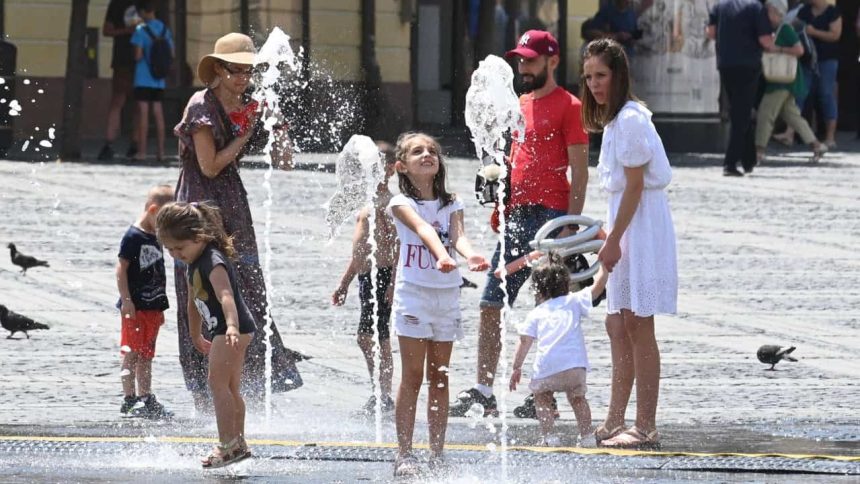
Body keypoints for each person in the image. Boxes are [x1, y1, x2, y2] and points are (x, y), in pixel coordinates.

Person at [450, 29, 590, 419]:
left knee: (550, 309)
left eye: (531, 59)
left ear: (552, 61)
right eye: (520, 60)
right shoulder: (519, 103)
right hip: (517, 215)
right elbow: (513, 161)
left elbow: (579, 172)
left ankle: (544, 391)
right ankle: (483, 390)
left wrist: (570, 224)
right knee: (492, 300)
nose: (523, 66)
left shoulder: (569, 106)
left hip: (551, 219)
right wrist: (502, 202)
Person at [173, 32, 300, 412]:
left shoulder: (251, 104)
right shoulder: (202, 106)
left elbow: (285, 163)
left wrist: (279, 131)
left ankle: (252, 388)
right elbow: (209, 166)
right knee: (199, 292)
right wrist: (244, 135)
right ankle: (205, 395)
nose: (243, 77)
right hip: (199, 207)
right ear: (217, 69)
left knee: (248, 289)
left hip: (233, 206)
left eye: (248, 70)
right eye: (235, 70)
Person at [581, 38, 677, 449]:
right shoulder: (615, 121)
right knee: (617, 322)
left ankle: (646, 426)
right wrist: (609, 234)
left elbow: (636, 188)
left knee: (639, 323)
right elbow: (622, 191)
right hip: (625, 222)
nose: (594, 84)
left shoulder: (633, 119)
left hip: (643, 227)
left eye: (601, 75)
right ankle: (615, 418)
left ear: (618, 75)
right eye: (588, 77)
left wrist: (614, 240)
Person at [388, 132, 489, 477]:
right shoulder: (400, 202)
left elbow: (457, 234)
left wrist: (469, 254)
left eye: (432, 151)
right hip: (415, 294)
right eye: (418, 152)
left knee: (440, 377)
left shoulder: (452, 201)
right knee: (413, 376)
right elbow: (423, 229)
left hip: (446, 296)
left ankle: (437, 452)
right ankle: (404, 452)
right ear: (402, 166)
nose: (427, 155)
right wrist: (442, 255)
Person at [156, 202, 255, 468]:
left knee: (217, 385)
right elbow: (192, 300)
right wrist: (194, 332)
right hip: (230, 330)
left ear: (199, 237)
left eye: (180, 248)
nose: (176, 254)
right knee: (231, 388)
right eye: (170, 250)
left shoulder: (212, 260)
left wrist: (231, 326)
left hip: (231, 329)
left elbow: (226, 295)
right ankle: (238, 443)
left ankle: (226, 445)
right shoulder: (194, 260)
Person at [509, 253, 608, 447]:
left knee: (542, 398)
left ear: (537, 289)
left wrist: (516, 367)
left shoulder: (536, 313)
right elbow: (597, 288)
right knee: (578, 399)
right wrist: (605, 266)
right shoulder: (574, 301)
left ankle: (550, 437)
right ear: (566, 283)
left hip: (548, 367)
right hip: (575, 367)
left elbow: (524, 341)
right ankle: (587, 437)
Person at [331, 142, 398, 416]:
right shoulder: (367, 201)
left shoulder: (388, 203)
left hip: (382, 276)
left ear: (391, 169)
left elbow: (399, 245)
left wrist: (394, 281)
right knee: (368, 336)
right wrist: (345, 282)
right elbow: (360, 251)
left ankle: (383, 393)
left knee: (375, 336)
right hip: (366, 276)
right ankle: (379, 391)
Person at [115, 184, 174, 419]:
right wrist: (126, 300)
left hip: (152, 307)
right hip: (135, 307)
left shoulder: (156, 234)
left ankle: (146, 397)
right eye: (164, 218)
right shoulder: (133, 236)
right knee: (132, 353)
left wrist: (160, 306)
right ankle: (129, 400)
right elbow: (121, 270)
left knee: (147, 355)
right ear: (152, 210)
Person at [707, 0, 775, 176]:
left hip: (725, 64)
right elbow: (765, 40)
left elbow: (711, 32)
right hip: (748, 65)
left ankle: (748, 159)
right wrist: (775, 44)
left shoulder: (719, 6)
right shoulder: (755, 7)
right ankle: (730, 163)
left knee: (739, 110)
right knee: (742, 114)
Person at [755, 0, 828, 164]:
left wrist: (779, 49)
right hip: (781, 79)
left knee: (765, 114)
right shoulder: (774, 30)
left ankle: (758, 151)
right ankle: (816, 145)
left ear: (776, 12)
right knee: (793, 115)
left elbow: (799, 50)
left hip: (782, 80)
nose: (765, 14)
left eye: (768, 11)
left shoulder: (785, 29)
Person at [794, 0, 842, 148]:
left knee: (826, 95)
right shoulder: (804, 11)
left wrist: (814, 32)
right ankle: (791, 133)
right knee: (800, 94)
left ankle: (830, 137)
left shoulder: (832, 11)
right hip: (807, 59)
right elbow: (794, 27)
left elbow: (835, 35)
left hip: (827, 59)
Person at [130, 0, 174, 162]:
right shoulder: (164, 29)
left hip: (142, 78)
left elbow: (138, 55)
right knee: (158, 114)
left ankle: (142, 152)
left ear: (142, 12)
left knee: (143, 115)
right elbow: (171, 53)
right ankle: (161, 152)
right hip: (159, 80)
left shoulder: (140, 30)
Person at [98, 0, 141, 161]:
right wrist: (127, 31)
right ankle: (132, 145)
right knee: (130, 103)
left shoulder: (117, 3)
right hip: (131, 60)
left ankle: (114, 144)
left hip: (127, 60)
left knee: (121, 102)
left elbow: (107, 30)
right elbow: (106, 30)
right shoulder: (119, 3)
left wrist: (123, 31)